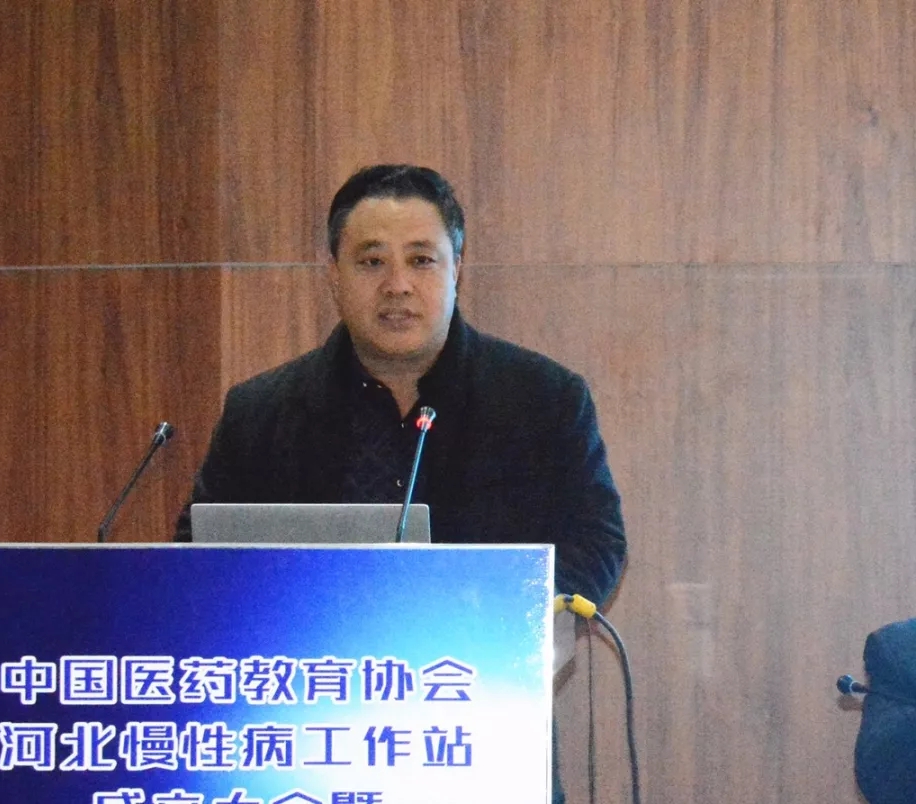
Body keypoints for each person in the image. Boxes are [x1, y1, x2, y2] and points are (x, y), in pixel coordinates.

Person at [175, 164, 627, 803]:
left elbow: (598, 539)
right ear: (333, 274)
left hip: (479, 726)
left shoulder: (543, 399)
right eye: (371, 262)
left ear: (456, 268)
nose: (397, 285)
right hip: (305, 739)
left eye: (421, 260)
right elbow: (196, 551)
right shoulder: (261, 412)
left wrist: (539, 610)